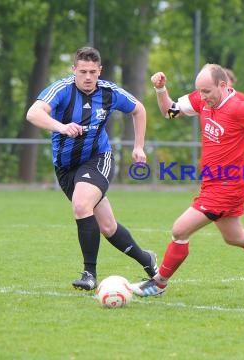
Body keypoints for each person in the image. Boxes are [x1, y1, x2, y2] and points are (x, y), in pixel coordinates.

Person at [131, 63, 244, 296]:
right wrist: (161, 90)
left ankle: (158, 283)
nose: (202, 97)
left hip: (228, 186)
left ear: (222, 85)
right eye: (199, 91)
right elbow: (169, 111)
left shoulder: (239, 108)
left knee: (180, 230)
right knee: (235, 236)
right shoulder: (203, 99)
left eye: (207, 91)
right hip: (212, 183)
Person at [26, 46, 158, 291]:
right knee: (108, 227)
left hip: (98, 157)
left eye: (93, 72)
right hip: (66, 168)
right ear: (73, 69)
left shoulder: (109, 92)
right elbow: (34, 113)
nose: (88, 77)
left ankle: (89, 273)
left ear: (100, 71)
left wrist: (139, 146)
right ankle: (147, 260)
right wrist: (61, 126)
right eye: (83, 71)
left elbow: (138, 109)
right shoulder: (61, 90)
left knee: (81, 204)